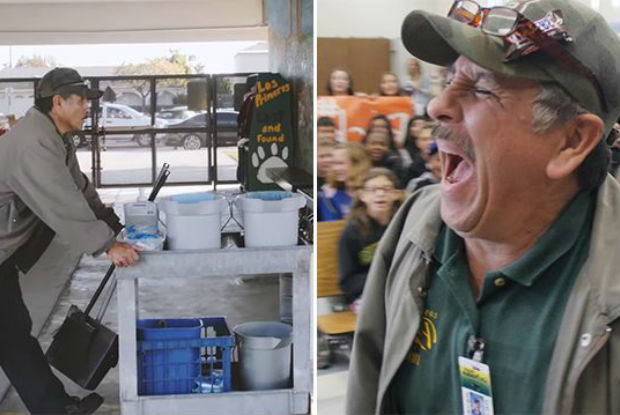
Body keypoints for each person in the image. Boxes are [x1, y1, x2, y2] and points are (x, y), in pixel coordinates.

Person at [346, 0, 620, 414]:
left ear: (572, 141)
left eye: (479, 88)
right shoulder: (417, 223)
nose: (436, 106)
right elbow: (367, 387)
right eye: (450, 79)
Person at [0, 67, 140, 414]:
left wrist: (110, 222)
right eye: (81, 101)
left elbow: (78, 186)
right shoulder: (34, 141)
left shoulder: (55, 136)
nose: (87, 108)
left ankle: (54, 407)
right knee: (11, 334)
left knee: (12, 335)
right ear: (58, 102)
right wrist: (106, 245)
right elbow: (59, 200)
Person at [338, 168, 402, 311]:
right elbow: (347, 282)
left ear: (396, 194)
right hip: (366, 296)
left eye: (387, 189)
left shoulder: (405, 225)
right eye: (373, 189)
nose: (380, 194)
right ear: (362, 195)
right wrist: (383, 277)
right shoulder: (352, 233)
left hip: (401, 292)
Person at [318, 142, 370, 221]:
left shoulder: (370, 191)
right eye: (334, 164)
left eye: (340, 163)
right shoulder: (328, 194)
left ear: (357, 164)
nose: (335, 168)